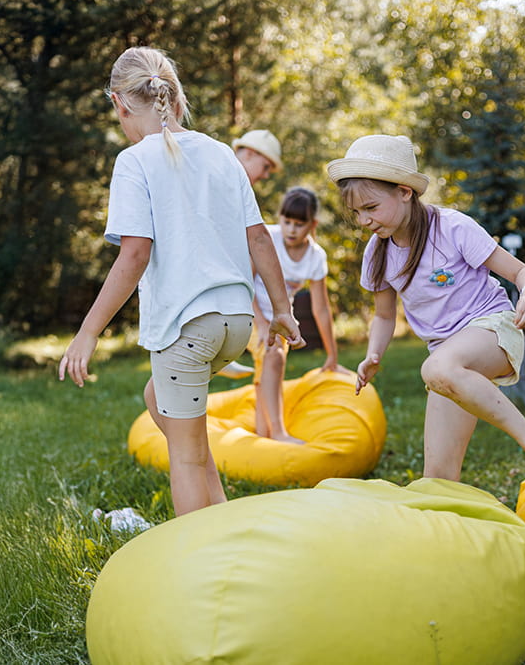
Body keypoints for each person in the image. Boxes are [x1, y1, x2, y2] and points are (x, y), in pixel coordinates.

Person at [59, 46, 303, 516]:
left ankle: (200, 571)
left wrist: (88, 332)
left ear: (119, 102)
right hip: (234, 324)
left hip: (188, 328)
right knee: (160, 399)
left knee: (185, 459)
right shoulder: (221, 153)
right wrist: (282, 312)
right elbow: (258, 240)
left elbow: (134, 255)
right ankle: (223, 517)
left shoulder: (134, 161)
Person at [326, 134, 525, 488]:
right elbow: (383, 315)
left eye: (372, 207)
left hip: (492, 329)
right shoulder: (377, 253)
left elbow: (521, 272)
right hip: (447, 360)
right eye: (356, 212)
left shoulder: (452, 228)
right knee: (438, 478)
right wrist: (373, 355)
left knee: (437, 366)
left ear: (404, 192)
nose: (364, 220)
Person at [250, 187, 347, 444]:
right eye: (287, 221)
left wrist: (332, 356)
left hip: (281, 319)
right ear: (279, 218)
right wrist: (260, 324)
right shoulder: (266, 238)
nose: (291, 229)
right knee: (274, 355)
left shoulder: (315, 257)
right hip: (251, 313)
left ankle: (263, 435)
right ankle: (279, 432)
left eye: (299, 224)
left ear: (312, 225)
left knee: (267, 371)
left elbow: (321, 309)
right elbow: (244, 285)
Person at [217, 129, 286, 380]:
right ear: (249, 153)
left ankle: (222, 351)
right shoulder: (224, 177)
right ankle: (220, 350)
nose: (266, 175)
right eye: (265, 166)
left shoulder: (236, 184)